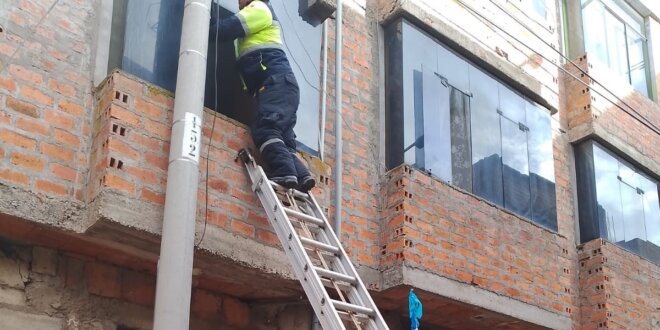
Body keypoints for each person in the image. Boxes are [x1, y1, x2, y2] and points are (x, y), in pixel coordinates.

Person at [210, 0, 315, 192]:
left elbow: (226, 29)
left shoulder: (259, 9)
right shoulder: (259, 14)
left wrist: (208, 19)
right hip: (282, 87)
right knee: (283, 139)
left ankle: (285, 171)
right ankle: (301, 175)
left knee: (265, 129)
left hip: (275, 85)